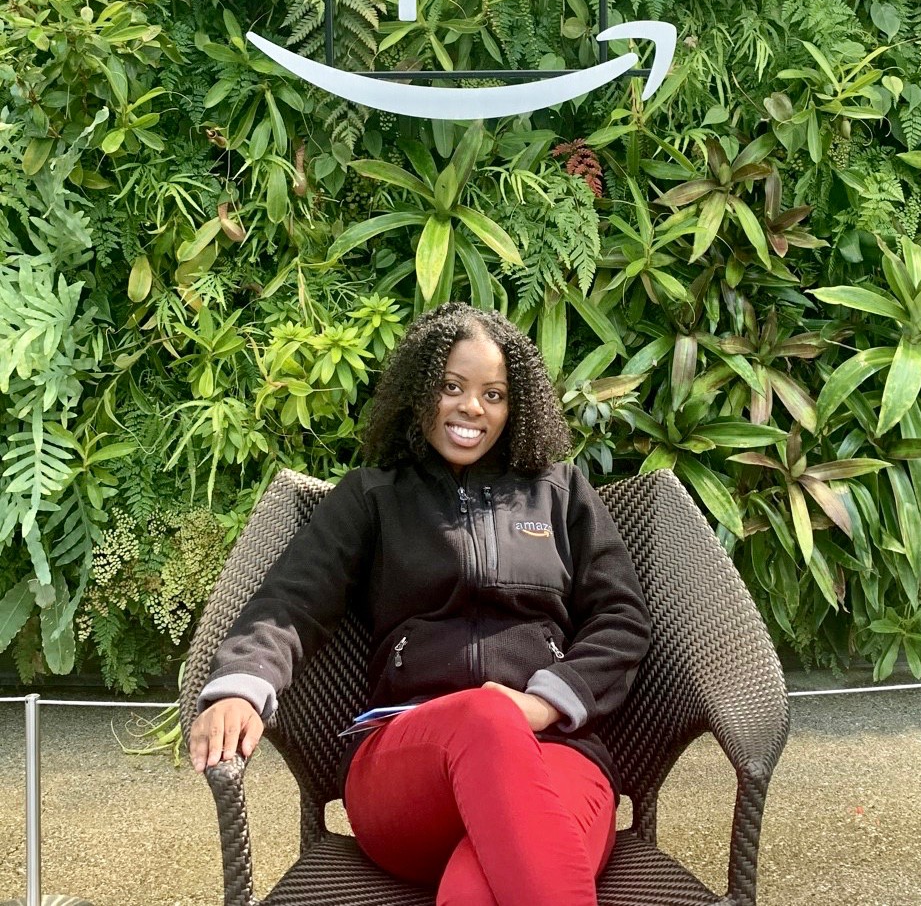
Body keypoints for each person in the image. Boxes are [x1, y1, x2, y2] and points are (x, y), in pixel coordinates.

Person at [190, 302, 651, 906]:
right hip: (407, 764)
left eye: (494, 394)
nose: (472, 409)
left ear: (517, 408)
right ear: (419, 390)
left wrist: (545, 703)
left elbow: (623, 619)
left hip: (555, 755)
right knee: (486, 718)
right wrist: (241, 684)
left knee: (473, 890)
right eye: (452, 387)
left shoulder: (559, 493)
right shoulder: (373, 495)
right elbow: (291, 601)